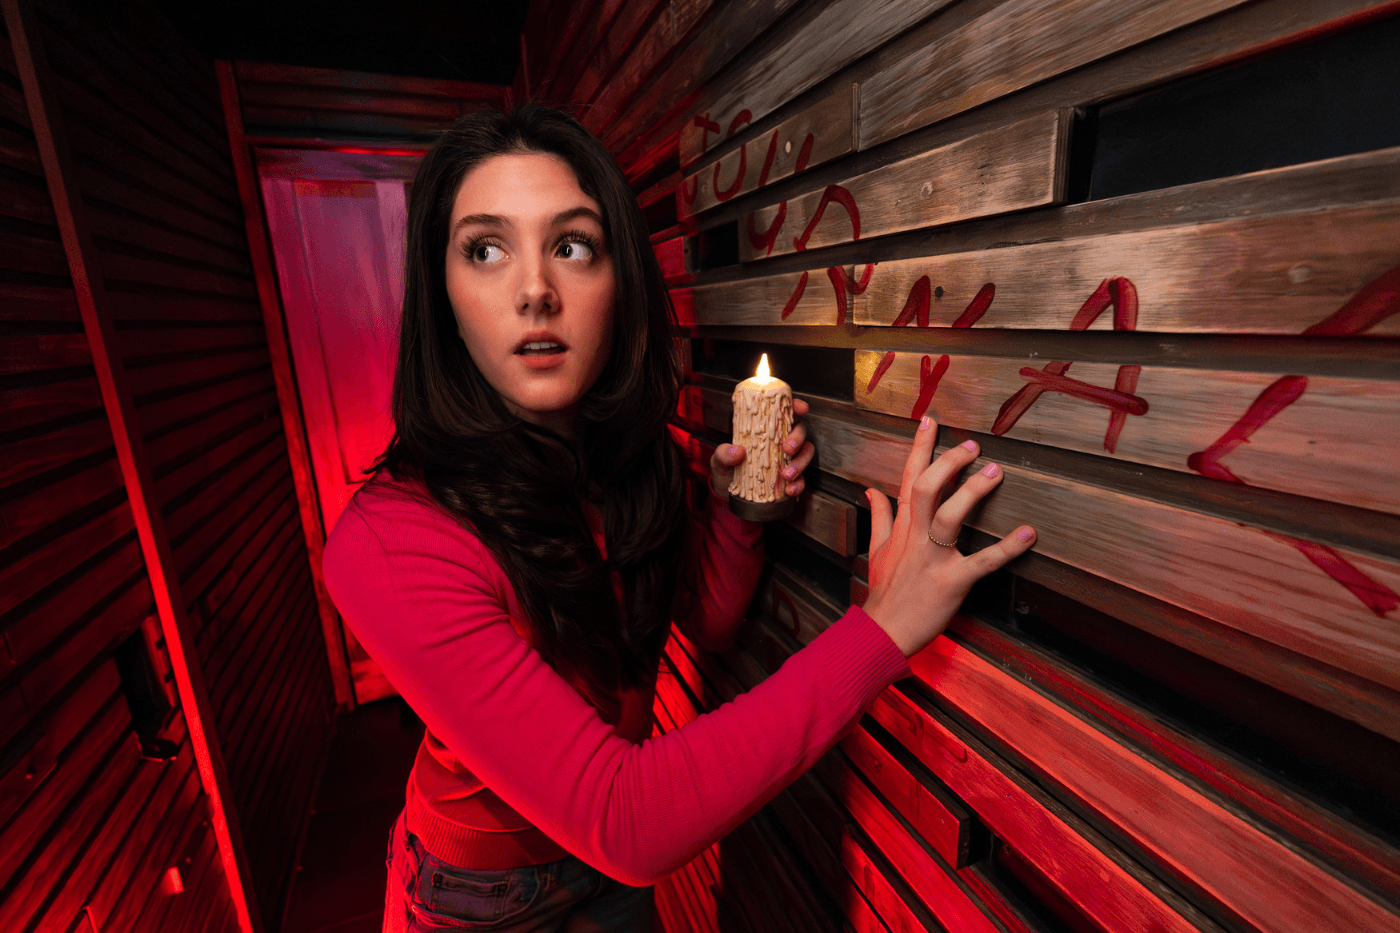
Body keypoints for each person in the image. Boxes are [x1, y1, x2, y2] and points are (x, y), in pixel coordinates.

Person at [322, 105, 1036, 933]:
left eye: (572, 245)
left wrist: (740, 513)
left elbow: (710, 623)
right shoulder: (390, 540)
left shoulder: (628, 455)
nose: (535, 290)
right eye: (486, 249)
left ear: (619, 279)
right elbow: (629, 818)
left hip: (608, 870)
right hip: (482, 897)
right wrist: (886, 624)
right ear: (442, 296)